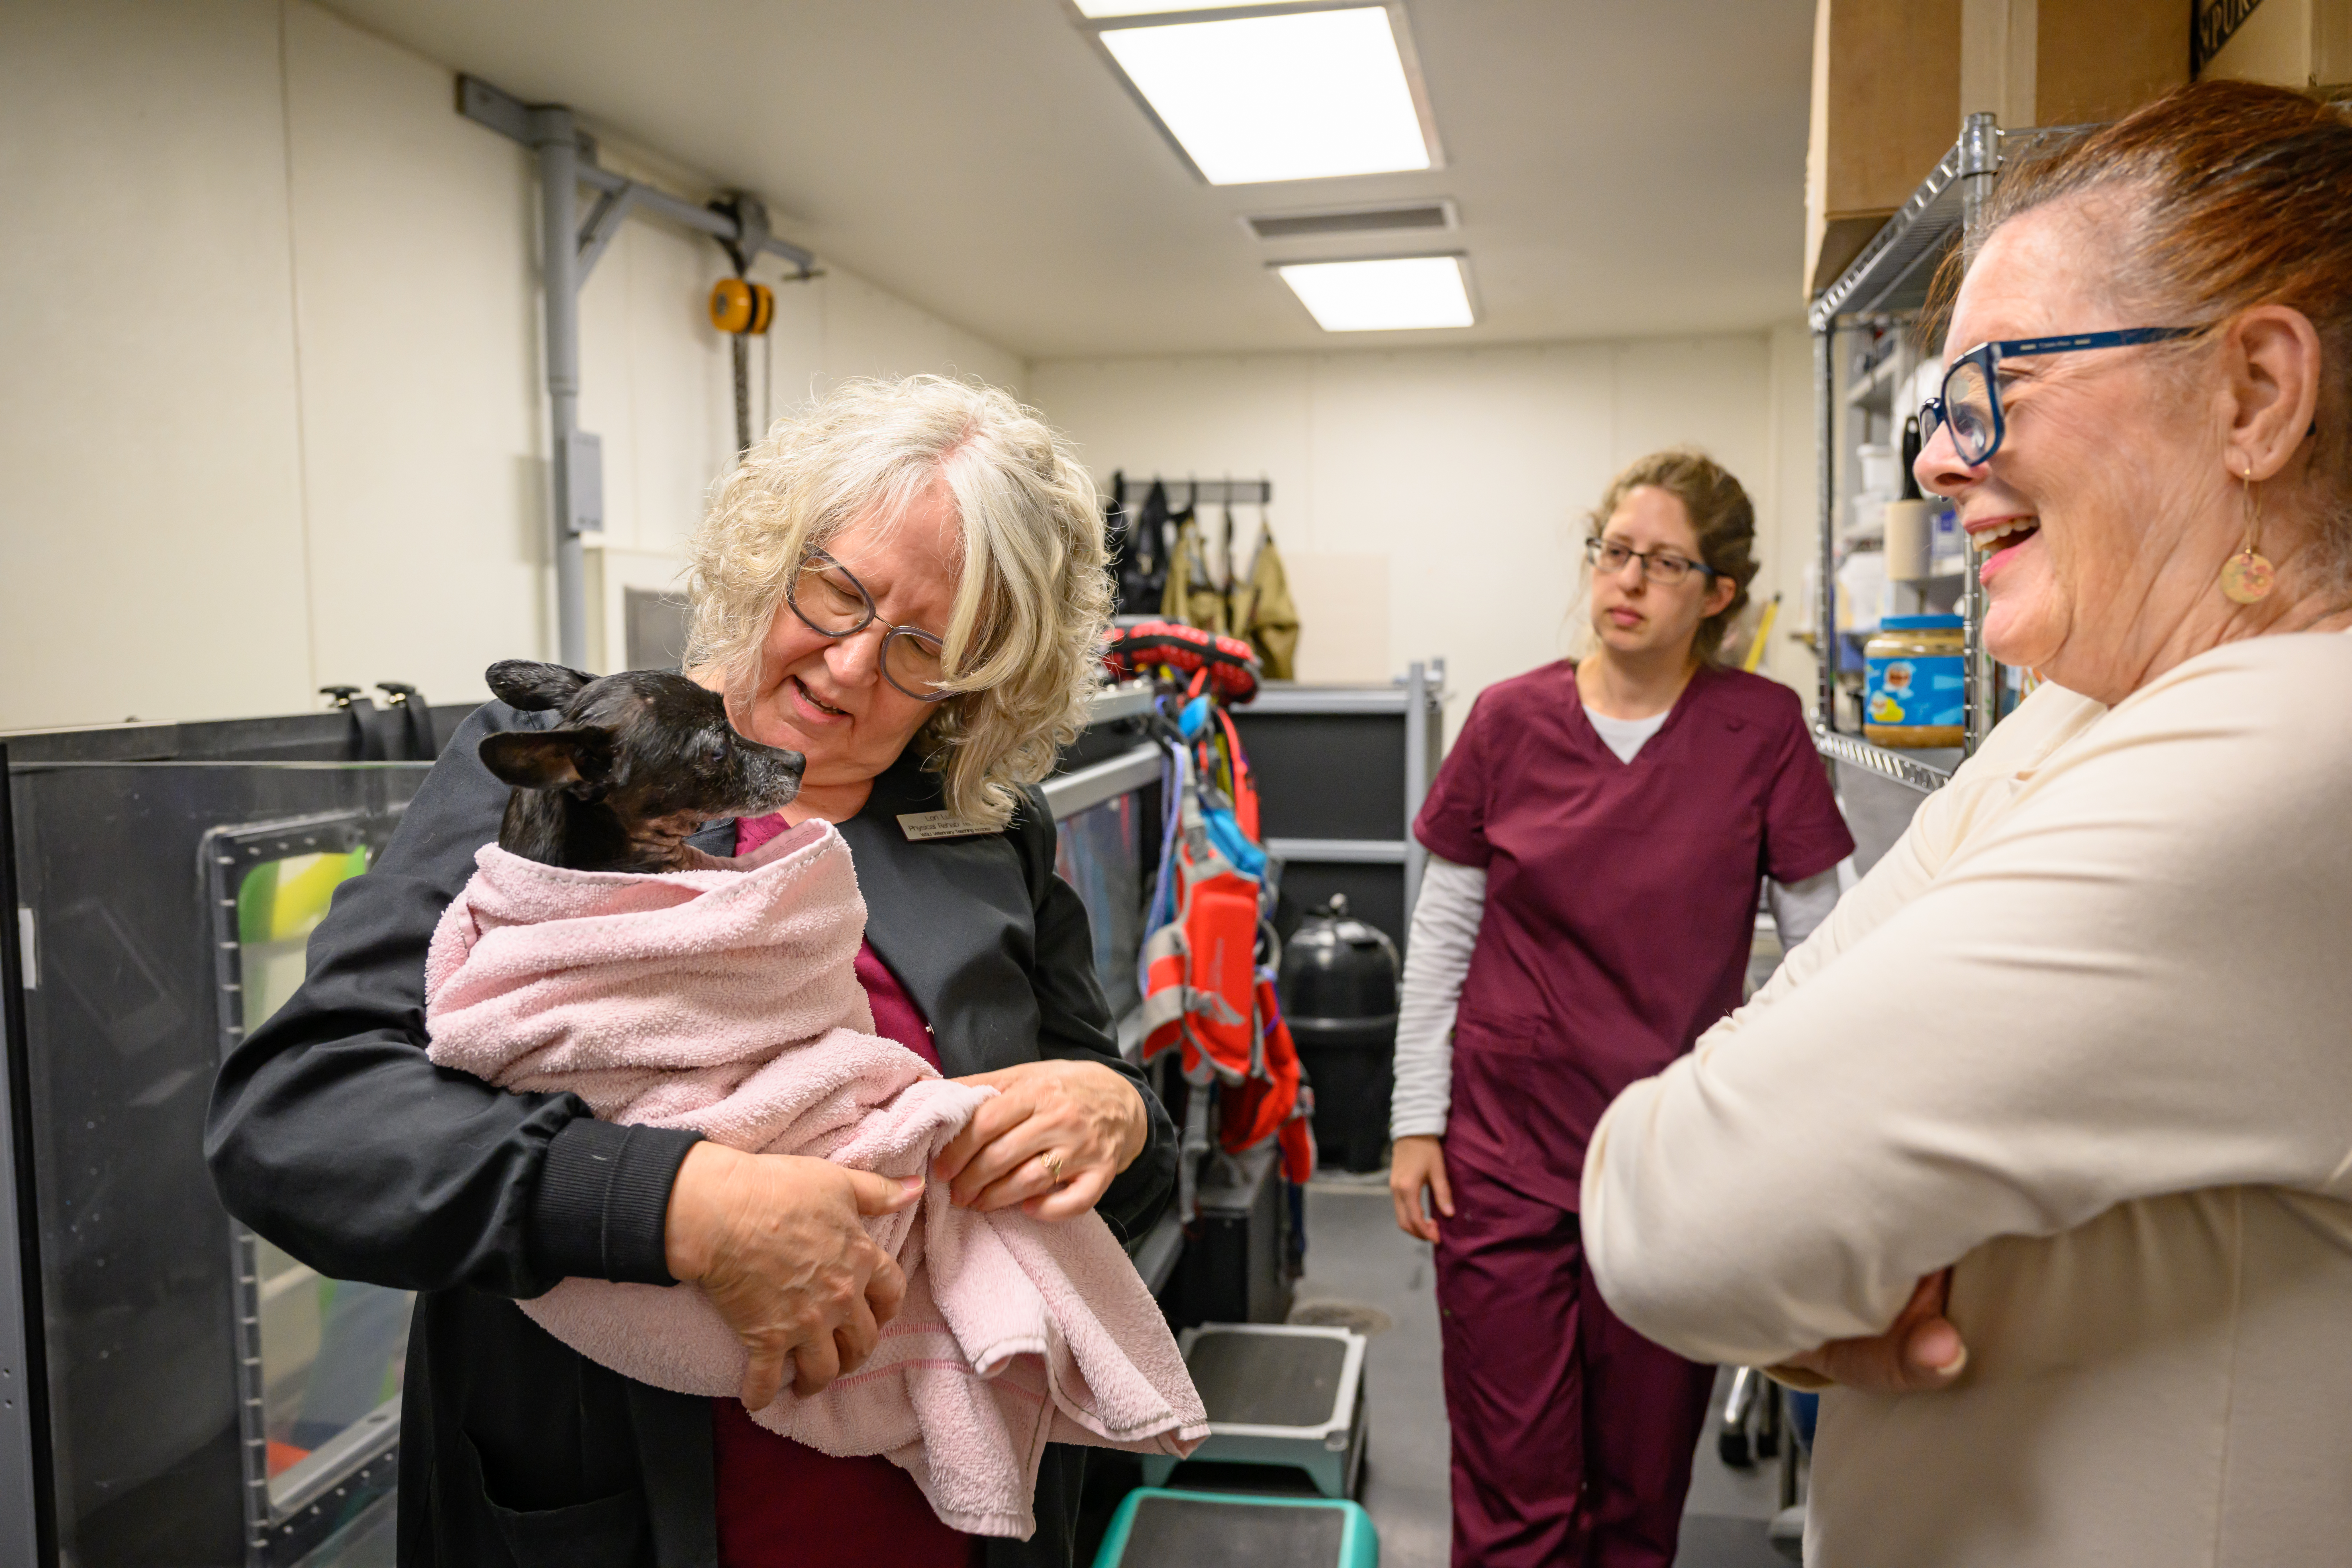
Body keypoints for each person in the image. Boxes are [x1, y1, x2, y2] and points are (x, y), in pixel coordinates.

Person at [205, 375, 1178, 1568]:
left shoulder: (985, 827)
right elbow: (301, 1119)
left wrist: (1114, 1112)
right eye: (841, 592)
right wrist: (680, 1206)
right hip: (616, 1519)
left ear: (986, 677)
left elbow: (1124, 1151)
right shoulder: (563, 771)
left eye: (927, 648)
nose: (852, 665)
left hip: (953, 1518)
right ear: (776, 552)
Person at [1580, 82, 2352, 1568]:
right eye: (1938, 407)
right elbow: (1745, 1119)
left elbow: (1666, 1206)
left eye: (1997, 382)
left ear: (2255, 394)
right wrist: (1804, 1249)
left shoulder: (2295, 751)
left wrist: (1792, 1252)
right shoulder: (2095, 711)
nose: (1937, 459)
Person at [1387, 449, 1856, 1567]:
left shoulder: (1762, 728)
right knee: (1514, 1496)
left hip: (1674, 1160)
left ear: (1719, 592)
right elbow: (1441, 937)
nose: (1628, 580)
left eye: (1664, 562)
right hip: (1502, 1151)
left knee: (1641, 1498)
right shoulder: (1507, 720)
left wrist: (1797, 1140)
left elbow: (1825, 953)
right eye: (1613, 551)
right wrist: (1415, 1118)